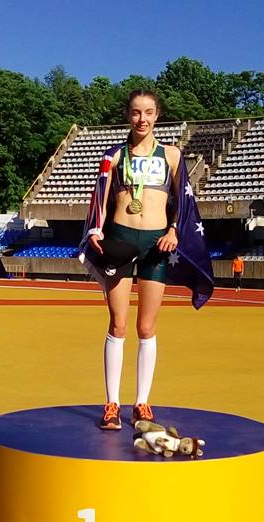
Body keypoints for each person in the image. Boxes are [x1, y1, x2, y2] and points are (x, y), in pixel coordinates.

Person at [84, 90, 187, 431]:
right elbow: (99, 197)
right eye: (135, 112)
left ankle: (142, 403)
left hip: (157, 244)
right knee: (118, 324)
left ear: (157, 115)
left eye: (148, 112)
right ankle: (112, 403)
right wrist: (95, 229)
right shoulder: (113, 155)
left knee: (147, 327)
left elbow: (184, 201)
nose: (142, 119)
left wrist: (174, 230)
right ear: (128, 115)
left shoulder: (172, 155)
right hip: (120, 240)